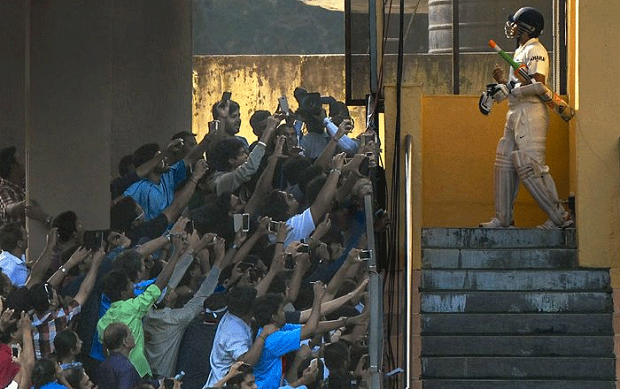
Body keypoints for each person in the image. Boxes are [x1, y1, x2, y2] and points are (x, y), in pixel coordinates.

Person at [480, 7, 573, 229]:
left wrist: (510, 89)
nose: (511, 27)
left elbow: (537, 83)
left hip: (531, 112)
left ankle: (560, 218)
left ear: (526, 27)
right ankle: (503, 219)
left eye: (516, 23)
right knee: (504, 159)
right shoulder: (520, 51)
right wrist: (504, 82)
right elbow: (520, 83)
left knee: (530, 165)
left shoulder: (536, 50)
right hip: (515, 111)